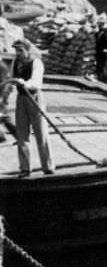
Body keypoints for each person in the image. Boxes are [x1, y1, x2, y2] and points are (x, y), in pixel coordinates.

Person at [6, 39, 55, 177]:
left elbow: (37, 83)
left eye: (20, 50)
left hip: (34, 98)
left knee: (41, 133)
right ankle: (25, 168)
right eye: (16, 50)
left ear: (28, 50)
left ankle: (48, 166)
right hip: (21, 99)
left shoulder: (36, 63)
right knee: (22, 134)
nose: (18, 53)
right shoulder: (16, 63)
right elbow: (12, 78)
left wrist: (24, 83)